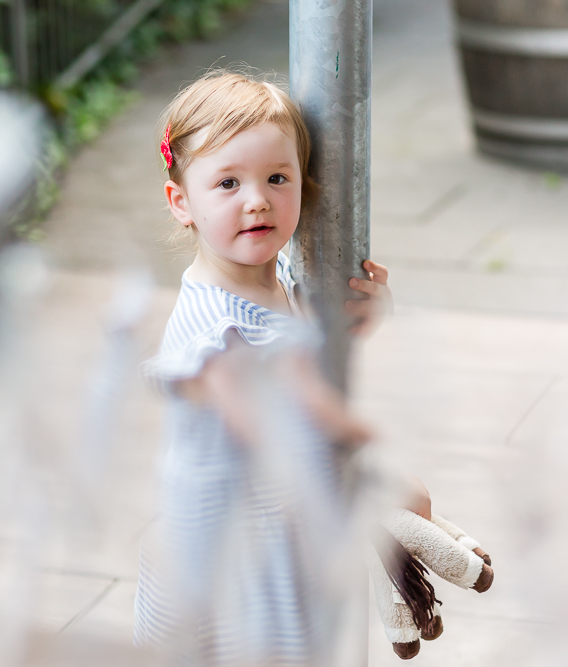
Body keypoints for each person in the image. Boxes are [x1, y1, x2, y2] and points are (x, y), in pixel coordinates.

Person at [132, 70, 401, 665]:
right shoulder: (213, 329)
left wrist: (357, 314)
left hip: (270, 549)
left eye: (277, 178)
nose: (257, 199)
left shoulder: (275, 282)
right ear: (183, 203)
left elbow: (304, 348)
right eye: (227, 183)